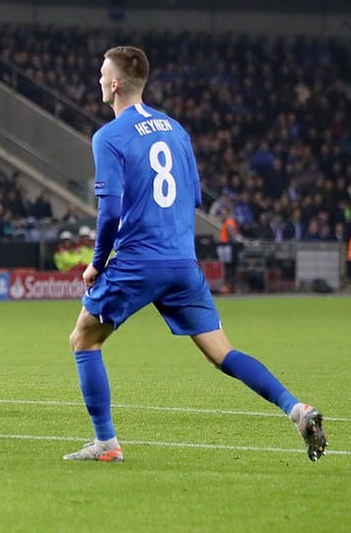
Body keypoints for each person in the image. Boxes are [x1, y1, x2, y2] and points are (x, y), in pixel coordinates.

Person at [65, 46, 327, 463]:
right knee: (223, 353)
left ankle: (107, 443)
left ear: (115, 84)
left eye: (102, 73)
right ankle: (297, 409)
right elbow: (196, 195)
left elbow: (110, 210)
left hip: (138, 260)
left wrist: (98, 262)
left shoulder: (108, 137)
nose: (98, 80)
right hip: (183, 262)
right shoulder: (175, 128)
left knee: (84, 339)